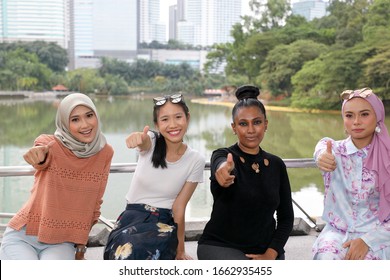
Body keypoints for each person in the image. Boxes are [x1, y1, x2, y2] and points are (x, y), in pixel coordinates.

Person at [0, 93, 114, 260]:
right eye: (75, 119)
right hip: (24, 234)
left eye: (89, 116)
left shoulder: (105, 152)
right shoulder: (50, 143)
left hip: (62, 242)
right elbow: (41, 155)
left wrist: (80, 250)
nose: (85, 124)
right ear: (64, 123)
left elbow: (94, 205)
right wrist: (38, 155)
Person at [197, 85, 294, 260]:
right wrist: (222, 172)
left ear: (266, 124)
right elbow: (220, 165)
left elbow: (286, 218)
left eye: (256, 122)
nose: (250, 130)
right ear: (234, 127)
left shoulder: (276, 164)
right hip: (221, 246)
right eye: (243, 124)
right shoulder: (224, 156)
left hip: (267, 249)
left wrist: (271, 254)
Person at [103, 93, 205, 260]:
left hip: (164, 223)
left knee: (145, 252)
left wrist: (180, 251)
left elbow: (179, 207)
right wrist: (138, 138)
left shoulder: (196, 160)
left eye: (178, 117)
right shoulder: (151, 140)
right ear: (157, 125)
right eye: (165, 119)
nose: (173, 125)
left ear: (187, 118)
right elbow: (143, 141)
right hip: (132, 218)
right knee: (127, 251)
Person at [313, 87, 390, 260]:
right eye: (349, 115)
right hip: (337, 232)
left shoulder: (388, 157)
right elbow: (323, 145)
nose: (356, 121)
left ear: (378, 116)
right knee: (327, 257)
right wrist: (321, 156)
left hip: (379, 235)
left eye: (364, 114)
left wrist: (368, 240)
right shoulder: (334, 151)